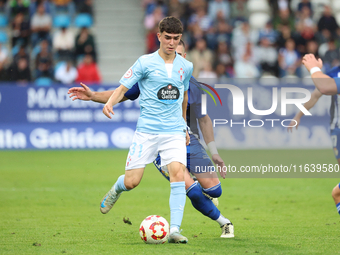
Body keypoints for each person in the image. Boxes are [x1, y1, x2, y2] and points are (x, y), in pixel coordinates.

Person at [68, 40, 234, 238]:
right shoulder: (152, 75)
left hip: (188, 139)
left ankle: (194, 193)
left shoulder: (192, 83)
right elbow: (121, 93)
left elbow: (204, 119)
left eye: (179, 55)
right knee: (187, 188)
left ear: (184, 57)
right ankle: (223, 223)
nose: (175, 59)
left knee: (215, 191)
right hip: (158, 140)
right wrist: (93, 95)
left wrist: (213, 152)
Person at [73, 17, 193, 244]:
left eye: (176, 39)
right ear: (158, 36)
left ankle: (175, 230)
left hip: (173, 132)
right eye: (167, 38)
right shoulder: (144, 63)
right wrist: (108, 102)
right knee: (132, 182)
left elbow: (183, 98)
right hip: (146, 132)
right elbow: (123, 88)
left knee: (178, 174)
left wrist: (184, 125)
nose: (171, 43)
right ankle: (116, 189)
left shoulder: (186, 66)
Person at [288, 53, 340, 216]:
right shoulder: (334, 73)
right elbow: (316, 94)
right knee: (337, 193)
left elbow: (324, 87)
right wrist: (298, 115)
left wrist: (315, 68)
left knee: (337, 193)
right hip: (337, 130)